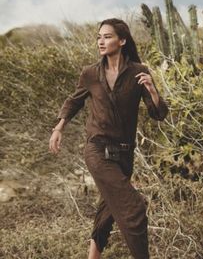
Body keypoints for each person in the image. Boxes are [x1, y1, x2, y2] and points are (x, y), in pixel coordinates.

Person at [49, 18, 168, 259]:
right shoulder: (91, 73)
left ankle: (93, 255)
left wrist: (153, 91)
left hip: (124, 153)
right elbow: (75, 100)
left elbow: (158, 115)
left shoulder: (139, 72)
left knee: (108, 208)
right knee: (133, 208)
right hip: (97, 149)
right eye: (99, 37)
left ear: (122, 41)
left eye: (107, 36)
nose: (101, 41)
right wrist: (59, 127)